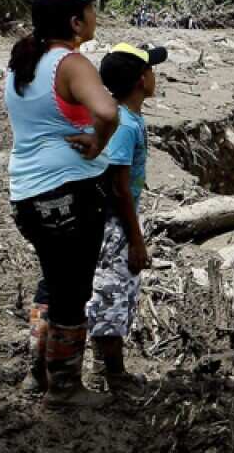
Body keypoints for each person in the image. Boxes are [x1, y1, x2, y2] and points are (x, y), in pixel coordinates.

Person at [7, 0, 120, 407]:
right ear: (76, 22)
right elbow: (107, 111)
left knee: (54, 282)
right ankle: (65, 390)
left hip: (27, 193)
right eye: (91, 8)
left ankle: (39, 373)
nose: (96, 14)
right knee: (72, 291)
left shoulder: (23, 60)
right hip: (67, 194)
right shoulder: (70, 63)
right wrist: (97, 141)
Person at [85, 43, 164, 392]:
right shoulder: (125, 124)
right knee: (113, 293)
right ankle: (108, 373)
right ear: (140, 80)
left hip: (115, 219)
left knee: (118, 291)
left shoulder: (129, 118)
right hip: (114, 223)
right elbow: (118, 186)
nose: (155, 75)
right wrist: (136, 237)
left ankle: (108, 368)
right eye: (151, 69)